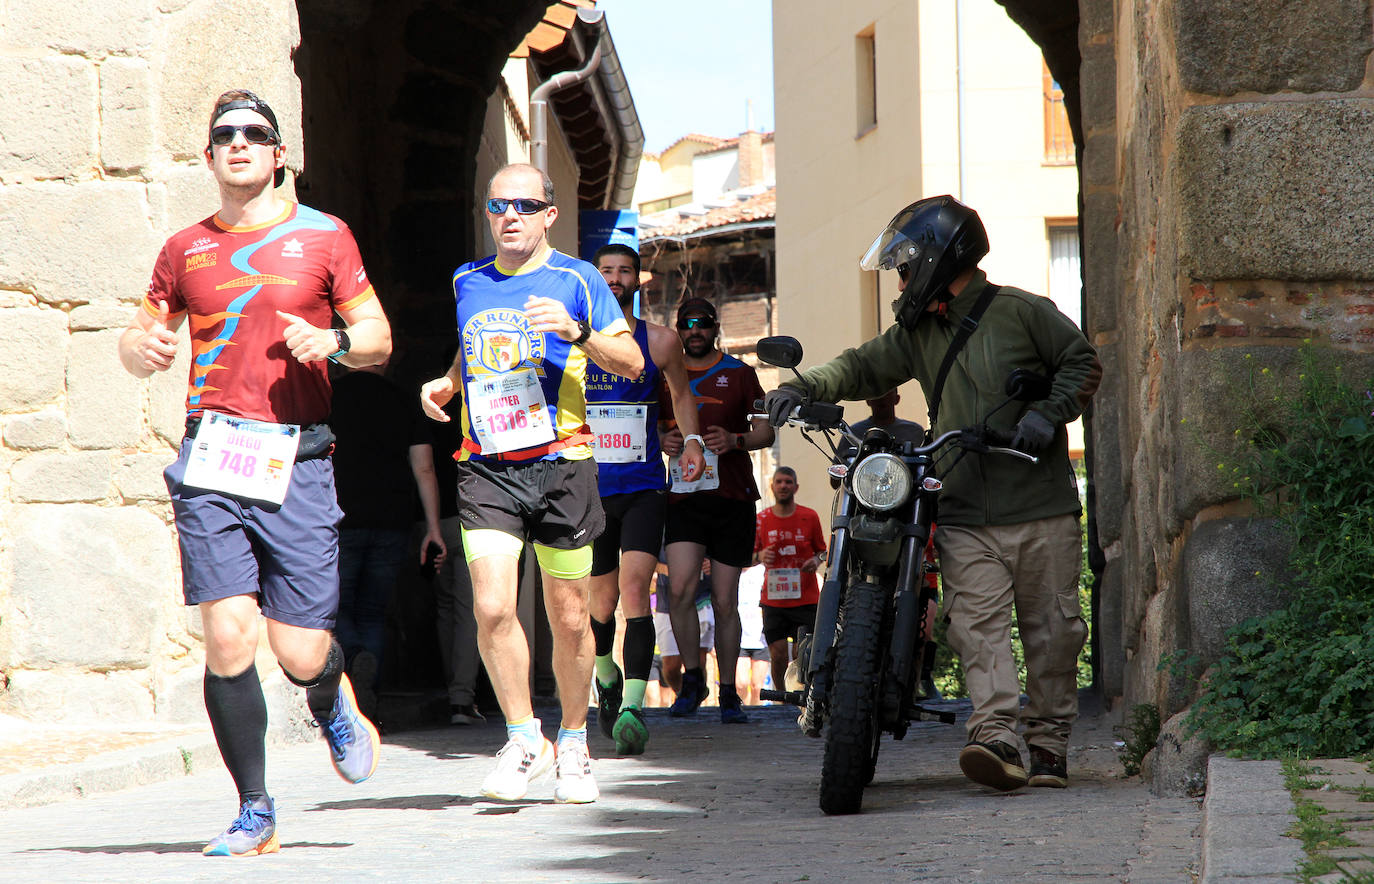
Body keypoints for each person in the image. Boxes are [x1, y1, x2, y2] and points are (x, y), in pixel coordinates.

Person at [117, 89, 389, 856]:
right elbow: (140, 339)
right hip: (212, 457)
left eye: (255, 134)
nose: (239, 143)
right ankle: (256, 810)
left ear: (277, 155)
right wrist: (140, 352)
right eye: (224, 135)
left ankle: (333, 696)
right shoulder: (183, 250)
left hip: (296, 458)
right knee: (229, 639)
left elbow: (378, 337)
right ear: (208, 158)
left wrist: (335, 342)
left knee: (299, 651)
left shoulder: (325, 236)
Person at [764, 195, 1100, 792]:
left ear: (941, 257)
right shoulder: (918, 332)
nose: (900, 278)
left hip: (1041, 506)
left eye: (905, 264)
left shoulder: (1023, 312)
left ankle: (1047, 745)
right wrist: (804, 386)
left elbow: (1081, 363)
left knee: (1054, 632)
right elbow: (864, 365)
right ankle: (995, 737)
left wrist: (1049, 413)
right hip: (966, 508)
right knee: (977, 625)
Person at [419, 163, 643, 804]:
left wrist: (577, 332)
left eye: (523, 204)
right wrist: (447, 382)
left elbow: (630, 363)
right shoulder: (468, 280)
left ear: (549, 213)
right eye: (497, 205)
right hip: (485, 465)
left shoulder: (579, 279)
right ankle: (524, 739)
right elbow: (471, 350)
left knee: (571, 618)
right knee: (491, 607)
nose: (509, 215)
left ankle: (573, 743)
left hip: (561, 465)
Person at [583, 243, 705, 756]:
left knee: (635, 593)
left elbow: (680, 394)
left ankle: (632, 705)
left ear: (639, 279)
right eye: (606, 271)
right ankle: (606, 675)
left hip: (642, 487)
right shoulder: (574, 340)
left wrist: (693, 441)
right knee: (600, 602)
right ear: (594, 280)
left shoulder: (660, 341)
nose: (614, 279)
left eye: (623, 271)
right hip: (586, 489)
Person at [661, 297, 774, 723]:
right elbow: (650, 425)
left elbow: (765, 430)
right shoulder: (665, 374)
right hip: (684, 498)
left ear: (715, 328)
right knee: (680, 591)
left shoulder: (741, 374)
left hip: (732, 498)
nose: (694, 331)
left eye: (702, 324)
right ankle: (693, 681)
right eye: (686, 325)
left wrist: (736, 440)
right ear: (677, 330)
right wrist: (663, 443)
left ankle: (728, 691)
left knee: (726, 602)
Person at [330, 358, 446, 722]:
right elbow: (424, 467)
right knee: (373, 612)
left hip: (339, 519)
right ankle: (367, 700)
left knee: (336, 608)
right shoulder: (403, 400)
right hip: (392, 521)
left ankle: (354, 658)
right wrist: (433, 527)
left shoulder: (328, 396)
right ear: (383, 359)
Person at [752, 467, 827, 695]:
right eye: (779, 482)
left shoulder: (809, 516)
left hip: (805, 599)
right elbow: (748, 557)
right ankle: (780, 695)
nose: (783, 486)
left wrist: (815, 561)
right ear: (772, 487)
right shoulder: (761, 519)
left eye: (788, 482)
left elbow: (823, 552)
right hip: (773, 600)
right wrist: (760, 556)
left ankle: (802, 695)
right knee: (777, 654)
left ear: (796, 487)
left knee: (800, 654)